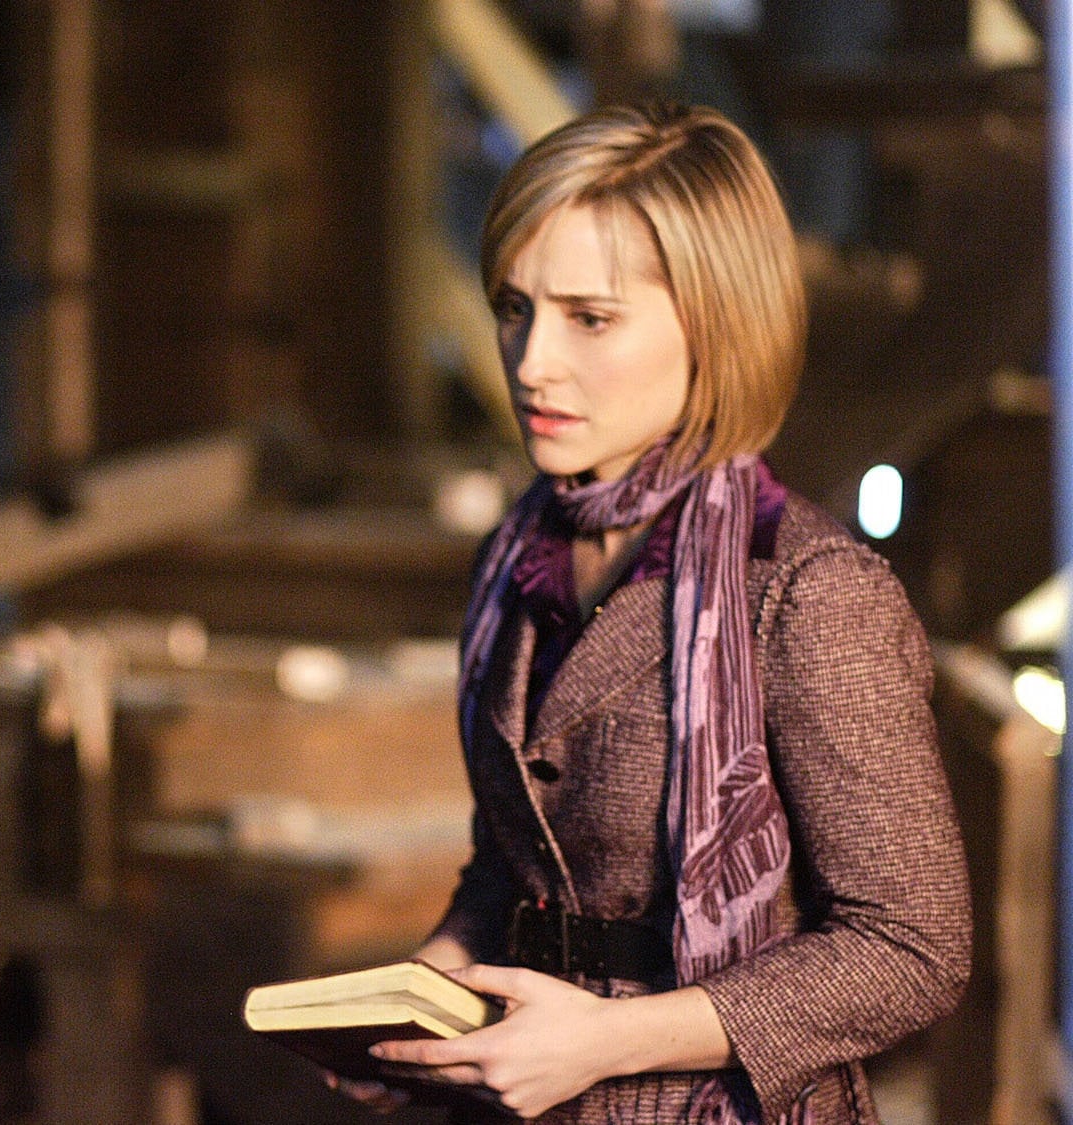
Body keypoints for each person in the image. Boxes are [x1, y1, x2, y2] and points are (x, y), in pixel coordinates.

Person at [336, 103, 969, 1122]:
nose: (530, 362)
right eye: (514, 307)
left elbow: (911, 947)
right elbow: (520, 864)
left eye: (589, 318)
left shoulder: (804, 590)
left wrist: (604, 1042)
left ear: (715, 325)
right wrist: (428, 983)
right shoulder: (516, 559)